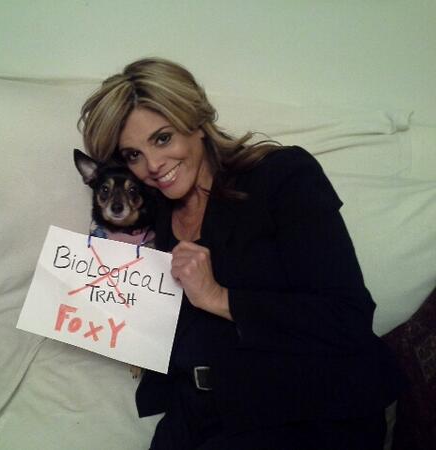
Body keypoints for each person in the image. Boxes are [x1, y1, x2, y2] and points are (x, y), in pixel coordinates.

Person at [78, 57, 404, 450]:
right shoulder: (154, 212)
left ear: (196, 122)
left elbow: (348, 317)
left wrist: (218, 297)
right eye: (133, 155)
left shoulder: (282, 176)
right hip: (198, 407)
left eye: (162, 138)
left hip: (311, 406)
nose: (154, 165)